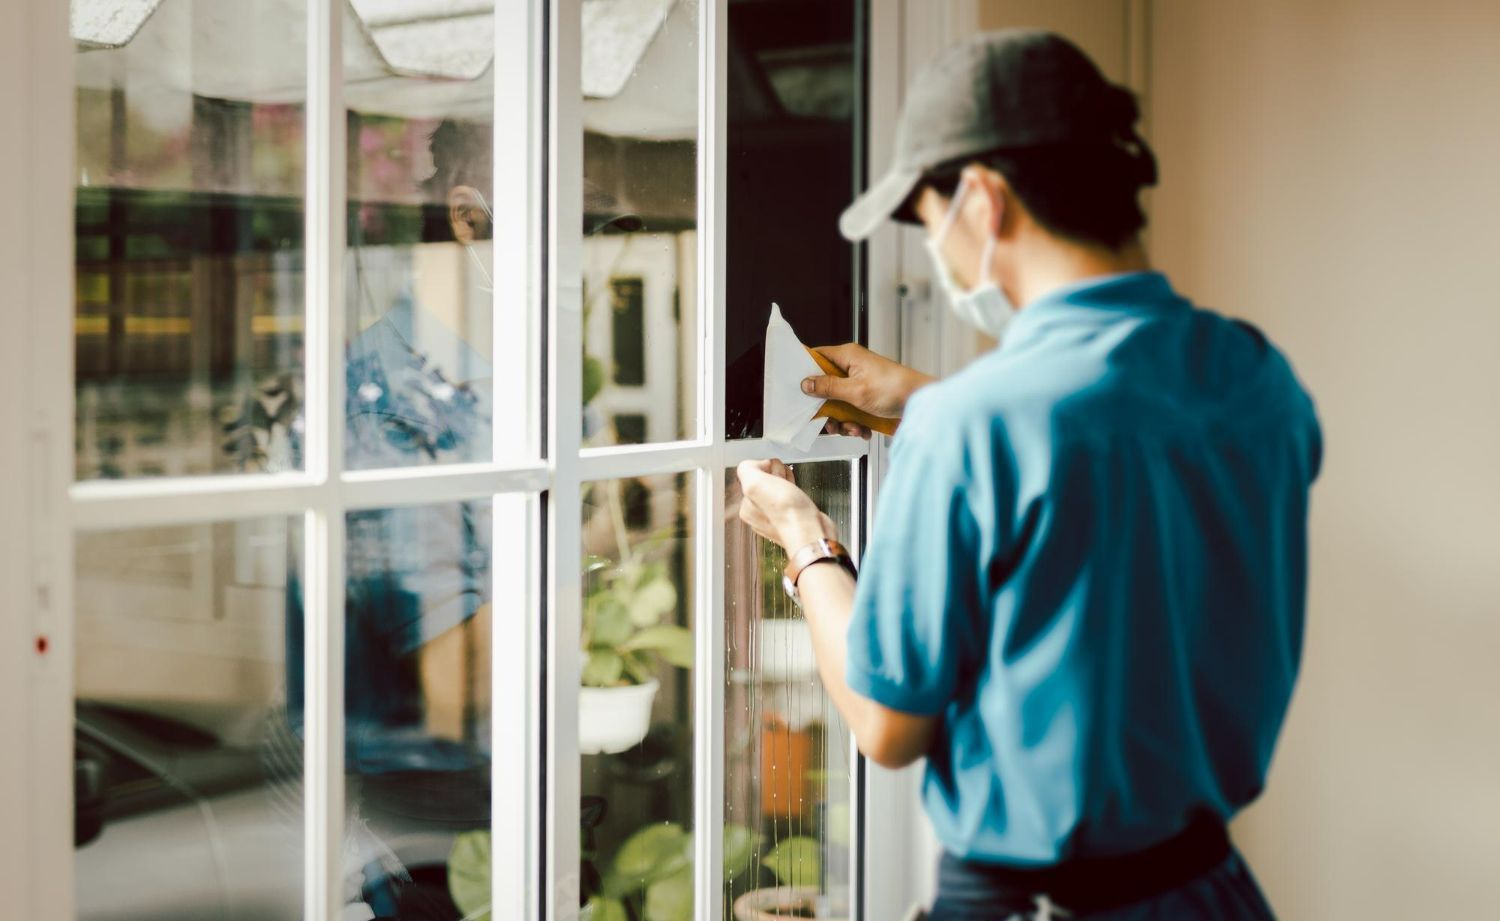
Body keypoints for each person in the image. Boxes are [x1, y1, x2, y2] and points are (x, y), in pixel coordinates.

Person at [735, 30, 1321, 921]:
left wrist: (807, 542)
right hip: (1213, 893)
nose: (940, 252)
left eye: (928, 224)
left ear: (982, 199)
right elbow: (1122, 449)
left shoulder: (971, 425)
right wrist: (927, 399)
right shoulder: (1254, 374)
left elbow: (889, 725)